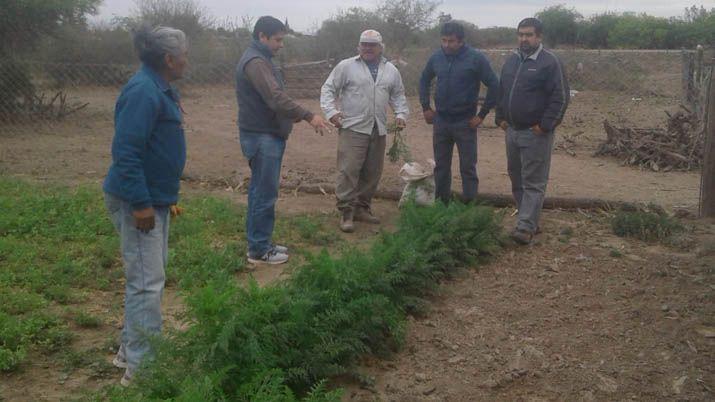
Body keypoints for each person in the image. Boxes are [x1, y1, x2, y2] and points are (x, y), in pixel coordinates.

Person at [103, 25, 188, 387]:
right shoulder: (143, 92)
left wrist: (161, 201)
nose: (188, 60)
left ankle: (130, 349)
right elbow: (127, 152)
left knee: (147, 277)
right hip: (140, 201)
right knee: (146, 283)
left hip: (155, 198)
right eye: (184, 54)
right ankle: (141, 368)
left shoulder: (159, 87)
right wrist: (140, 205)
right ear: (169, 59)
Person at [237, 16, 329, 263]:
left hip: (264, 134)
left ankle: (260, 242)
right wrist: (308, 115)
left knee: (261, 191)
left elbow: (272, 100)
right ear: (262, 37)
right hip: (261, 137)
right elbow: (275, 98)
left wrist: (291, 117)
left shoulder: (262, 60)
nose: (281, 45)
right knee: (264, 193)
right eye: (277, 40)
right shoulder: (256, 62)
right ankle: (258, 250)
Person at [320, 29, 409, 232]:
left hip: (378, 128)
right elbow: (328, 89)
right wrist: (331, 112)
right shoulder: (347, 66)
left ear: (380, 47)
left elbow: (398, 95)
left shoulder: (391, 70)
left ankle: (362, 208)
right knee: (349, 170)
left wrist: (401, 114)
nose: (368, 48)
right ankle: (346, 212)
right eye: (364, 44)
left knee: (372, 171)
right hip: (352, 127)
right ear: (358, 46)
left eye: (372, 45)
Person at [495, 17, 570, 245]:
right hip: (512, 131)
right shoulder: (512, 61)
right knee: (516, 176)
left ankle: (525, 227)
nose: (524, 39)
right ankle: (528, 219)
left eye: (528, 35)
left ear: (539, 37)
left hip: (535, 132)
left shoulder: (550, 62)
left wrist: (544, 125)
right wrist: (500, 118)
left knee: (534, 181)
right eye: (520, 34)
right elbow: (502, 91)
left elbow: (561, 98)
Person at [418, 21, 498, 204]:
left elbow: (494, 85)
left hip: (466, 122)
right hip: (441, 121)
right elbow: (424, 79)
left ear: (461, 41)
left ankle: (469, 207)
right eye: (444, 40)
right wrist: (425, 107)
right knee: (441, 167)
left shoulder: (476, 59)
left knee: (468, 167)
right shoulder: (437, 57)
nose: (447, 45)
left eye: (451, 41)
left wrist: (482, 114)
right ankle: (441, 206)